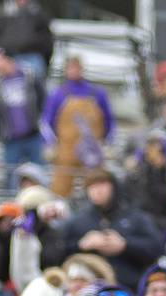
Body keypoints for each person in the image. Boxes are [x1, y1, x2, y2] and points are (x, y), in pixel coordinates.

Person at [60, 170, 162, 288]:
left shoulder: (135, 217)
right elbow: (58, 252)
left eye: (102, 184)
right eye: (92, 186)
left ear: (114, 186)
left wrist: (125, 245)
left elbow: (155, 248)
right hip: (87, 288)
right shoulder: (77, 221)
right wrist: (81, 245)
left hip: (128, 286)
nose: (97, 190)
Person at [41, 56, 113, 198]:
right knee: (60, 190)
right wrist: (50, 144)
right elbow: (45, 121)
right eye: (70, 68)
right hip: (65, 151)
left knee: (95, 186)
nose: (74, 71)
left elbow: (109, 120)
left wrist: (108, 143)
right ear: (66, 71)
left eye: (77, 68)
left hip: (92, 152)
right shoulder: (58, 94)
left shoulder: (97, 94)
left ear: (82, 69)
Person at [0, 49, 42, 189]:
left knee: (38, 171)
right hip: (11, 138)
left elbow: (42, 98)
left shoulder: (28, 76)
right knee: (10, 174)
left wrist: (39, 122)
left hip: (32, 134)